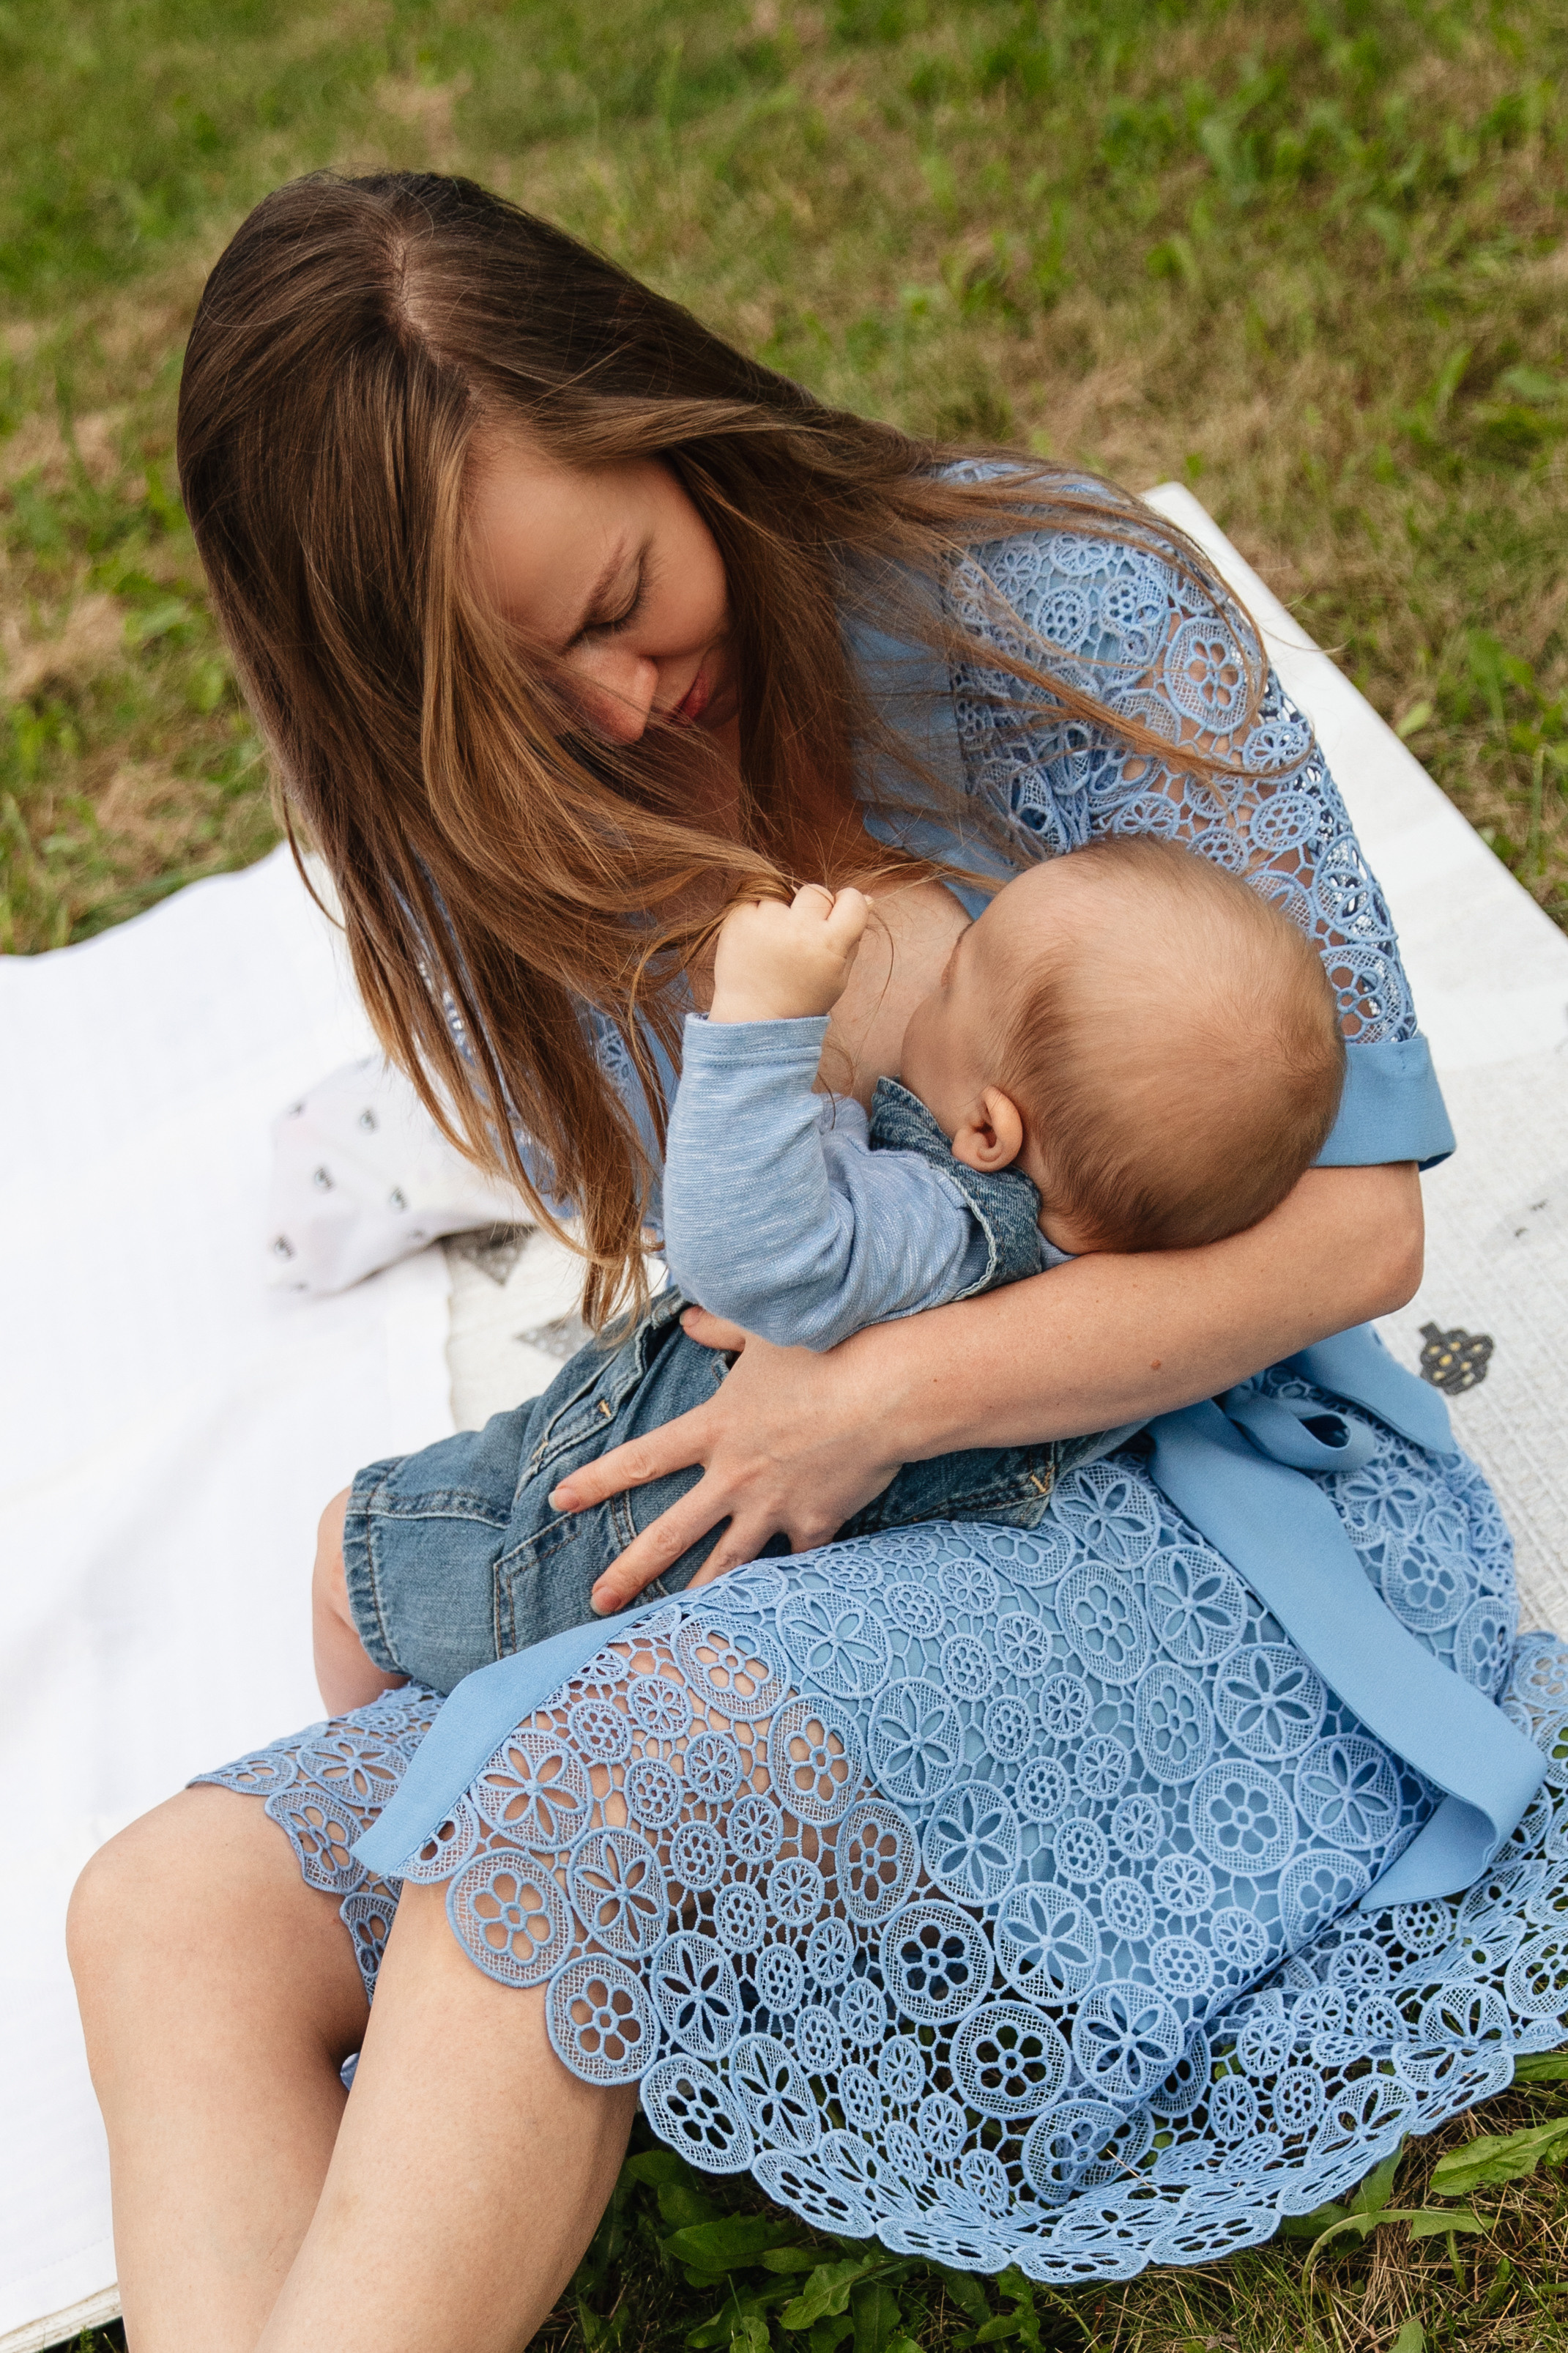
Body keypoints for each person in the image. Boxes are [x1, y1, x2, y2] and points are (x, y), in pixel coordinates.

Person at [65, 169, 1566, 2353]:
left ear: (662, 412)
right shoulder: (546, 824)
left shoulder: (1057, 611)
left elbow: (1359, 1224)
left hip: (1167, 1505)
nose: (611, 705)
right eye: (510, 688)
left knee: (552, 1823)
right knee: (169, 1908)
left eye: (618, 598)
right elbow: (739, 1272)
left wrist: (876, 1400)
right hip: (814, 1548)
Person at [325, 839, 1348, 1702]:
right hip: (704, 1573)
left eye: (951, 981)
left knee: (344, 1553)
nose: (926, 987)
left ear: (988, 1131)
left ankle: (363, 1772)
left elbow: (746, 1257)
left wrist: (760, 1024)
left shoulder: (942, 1226)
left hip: (591, 1553)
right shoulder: (1092, 1290)